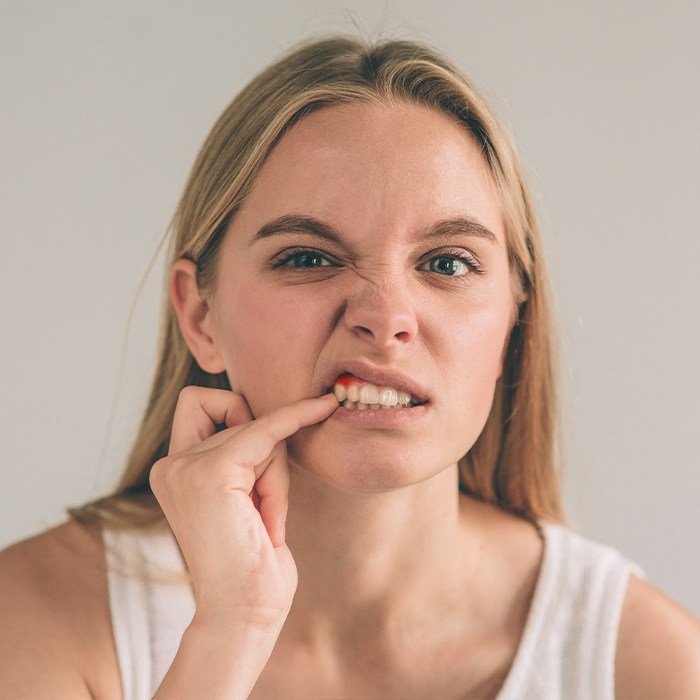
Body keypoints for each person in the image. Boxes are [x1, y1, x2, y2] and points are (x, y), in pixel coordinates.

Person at [1, 33, 699, 700]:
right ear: (200, 317)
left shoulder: (650, 666)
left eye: (447, 262)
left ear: (515, 322)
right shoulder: (34, 619)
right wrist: (230, 632)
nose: (385, 315)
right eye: (308, 257)